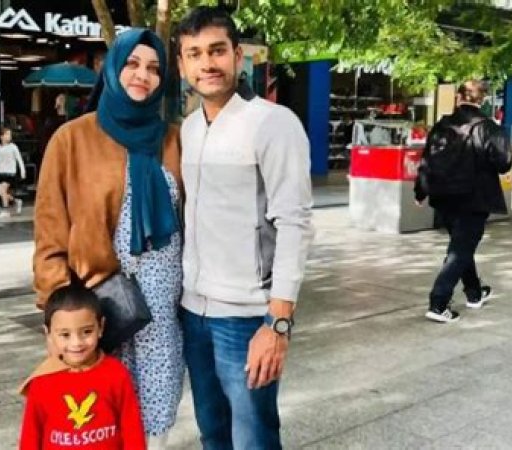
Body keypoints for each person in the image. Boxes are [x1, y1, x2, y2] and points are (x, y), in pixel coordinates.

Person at [34, 29, 183, 449]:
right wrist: (57, 311)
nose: (142, 75)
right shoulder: (72, 138)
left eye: (153, 68)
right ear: (112, 69)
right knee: (94, 420)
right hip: (99, 306)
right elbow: (49, 228)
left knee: (154, 421)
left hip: (161, 314)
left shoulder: (174, 138)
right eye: (132, 64)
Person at [175, 7, 314, 449]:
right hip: (193, 310)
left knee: (254, 438)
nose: (207, 63)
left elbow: (295, 223)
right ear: (182, 65)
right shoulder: (189, 129)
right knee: (212, 433)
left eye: (217, 50)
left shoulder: (273, 123)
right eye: (194, 54)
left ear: (238, 55)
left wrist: (278, 323)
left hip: (247, 315)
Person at [414, 80, 512, 323]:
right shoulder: (488, 128)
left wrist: (421, 191)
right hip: (474, 198)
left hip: (444, 197)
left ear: (458, 98)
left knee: (461, 246)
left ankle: (474, 292)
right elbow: (504, 163)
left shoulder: (441, 126)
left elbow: (427, 160)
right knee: (460, 250)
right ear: (483, 100)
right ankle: (438, 302)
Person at [18, 282, 146, 449]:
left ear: (100, 327)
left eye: (87, 332)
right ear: (48, 333)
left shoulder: (116, 373)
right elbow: (30, 437)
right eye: (65, 334)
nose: (76, 343)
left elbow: (132, 428)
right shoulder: (42, 381)